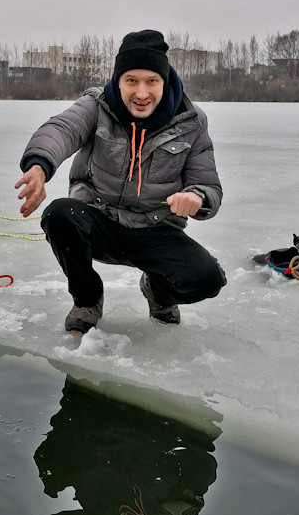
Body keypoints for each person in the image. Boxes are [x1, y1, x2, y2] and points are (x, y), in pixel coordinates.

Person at [15, 29, 226, 334]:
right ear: (118, 81)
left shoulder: (191, 121)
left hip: (157, 228)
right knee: (60, 214)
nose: (142, 93)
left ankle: (159, 290)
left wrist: (197, 197)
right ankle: (87, 299)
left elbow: (207, 182)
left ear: (164, 82)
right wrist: (38, 166)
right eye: (131, 81)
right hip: (100, 220)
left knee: (207, 279)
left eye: (151, 81)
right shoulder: (97, 106)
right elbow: (62, 129)